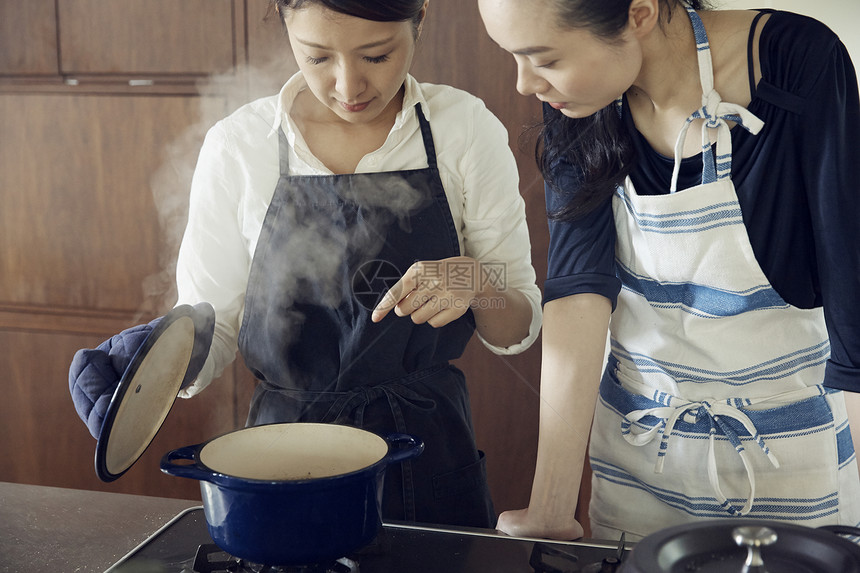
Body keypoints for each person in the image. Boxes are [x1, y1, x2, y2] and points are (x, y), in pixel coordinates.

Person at [68, 0, 542, 529]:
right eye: (317, 58)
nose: (348, 86)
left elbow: (517, 320)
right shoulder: (239, 145)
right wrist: (153, 362)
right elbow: (218, 325)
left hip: (426, 449)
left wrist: (476, 282)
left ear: (420, 16)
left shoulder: (464, 128)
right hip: (284, 452)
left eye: (377, 55)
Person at [478, 0, 860, 541]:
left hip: (788, 460)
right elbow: (577, 292)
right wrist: (551, 508)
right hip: (641, 460)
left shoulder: (795, 58)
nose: (523, 83)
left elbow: (853, 301)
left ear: (638, 13)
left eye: (541, 57)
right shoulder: (580, 92)